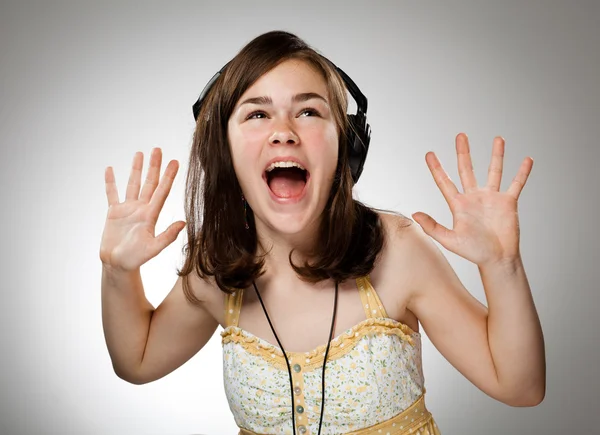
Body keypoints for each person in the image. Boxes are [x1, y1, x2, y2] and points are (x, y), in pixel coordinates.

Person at [100, 30, 546, 435]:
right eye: (257, 114)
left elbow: (520, 387)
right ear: (225, 151)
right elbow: (137, 361)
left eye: (309, 111)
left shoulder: (399, 251)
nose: (283, 133)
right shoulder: (218, 268)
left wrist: (501, 265)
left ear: (347, 147)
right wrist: (118, 271)